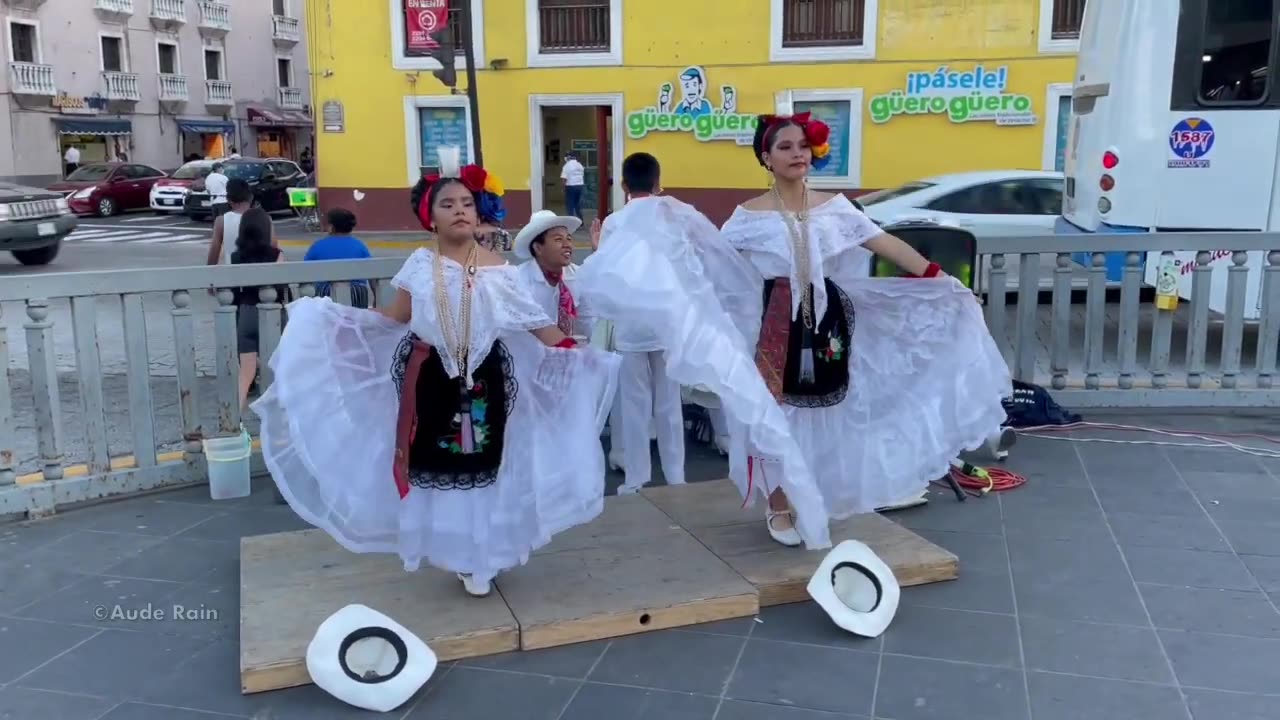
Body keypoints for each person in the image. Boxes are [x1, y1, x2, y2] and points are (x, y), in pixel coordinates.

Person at [249, 147, 620, 599]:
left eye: (466, 203)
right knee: (439, 465)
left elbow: (535, 325)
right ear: (431, 217)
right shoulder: (419, 266)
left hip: (485, 381)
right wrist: (337, 327)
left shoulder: (500, 270)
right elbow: (396, 316)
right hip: (427, 378)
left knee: (484, 463)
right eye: (448, 205)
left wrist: (576, 353)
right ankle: (457, 551)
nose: (460, 211)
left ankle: (482, 552)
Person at [715, 112, 1011, 546]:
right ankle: (778, 504)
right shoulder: (746, 218)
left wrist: (940, 279)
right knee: (775, 414)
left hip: (830, 320)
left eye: (802, 145)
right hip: (774, 324)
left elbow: (884, 242)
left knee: (829, 410)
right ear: (766, 157)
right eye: (785, 147)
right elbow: (720, 268)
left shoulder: (834, 208)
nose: (797, 153)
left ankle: (814, 493)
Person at [590, 153, 686, 495]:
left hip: (631, 322)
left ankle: (637, 477)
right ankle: (676, 475)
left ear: (624, 185)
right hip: (665, 320)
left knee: (634, 404)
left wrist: (598, 248)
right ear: (659, 183)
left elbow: (610, 269)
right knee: (669, 403)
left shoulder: (616, 221)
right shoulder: (672, 217)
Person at [230, 208, 287, 410]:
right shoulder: (276, 255)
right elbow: (281, 286)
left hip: (246, 312)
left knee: (245, 373)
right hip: (273, 315)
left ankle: (235, 420)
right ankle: (279, 415)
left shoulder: (236, 257)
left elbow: (234, 291)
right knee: (280, 367)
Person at [513, 209, 594, 341]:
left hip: (570, 353)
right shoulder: (519, 280)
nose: (567, 245)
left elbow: (588, 320)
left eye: (569, 239)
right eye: (558, 239)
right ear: (538, 248)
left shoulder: (579, 275)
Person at [304, 208, 373, 308]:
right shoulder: (360, 246)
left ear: (331, 227)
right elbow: (371, 272)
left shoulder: (318, 246)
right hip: (357, 297)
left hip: (328, 297)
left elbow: (305, 272)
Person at [207, 179, 254, 266]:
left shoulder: (221, 221)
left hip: (233, 275)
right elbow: (275, 252)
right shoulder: (265, 219)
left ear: (228, 199)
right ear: (251, 197)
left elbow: (213, 256)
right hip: (260, 275)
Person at [560, 153, 585, 221]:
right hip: (580, 186)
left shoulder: (567, 166)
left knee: (570, 205)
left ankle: (571, 222)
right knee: (577, 204)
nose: (565, 159)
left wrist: (562, 188)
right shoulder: (580, 165)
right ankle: (580, 221)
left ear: (568, 157)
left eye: (565, 157)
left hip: (571, 187)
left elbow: (564, 178)